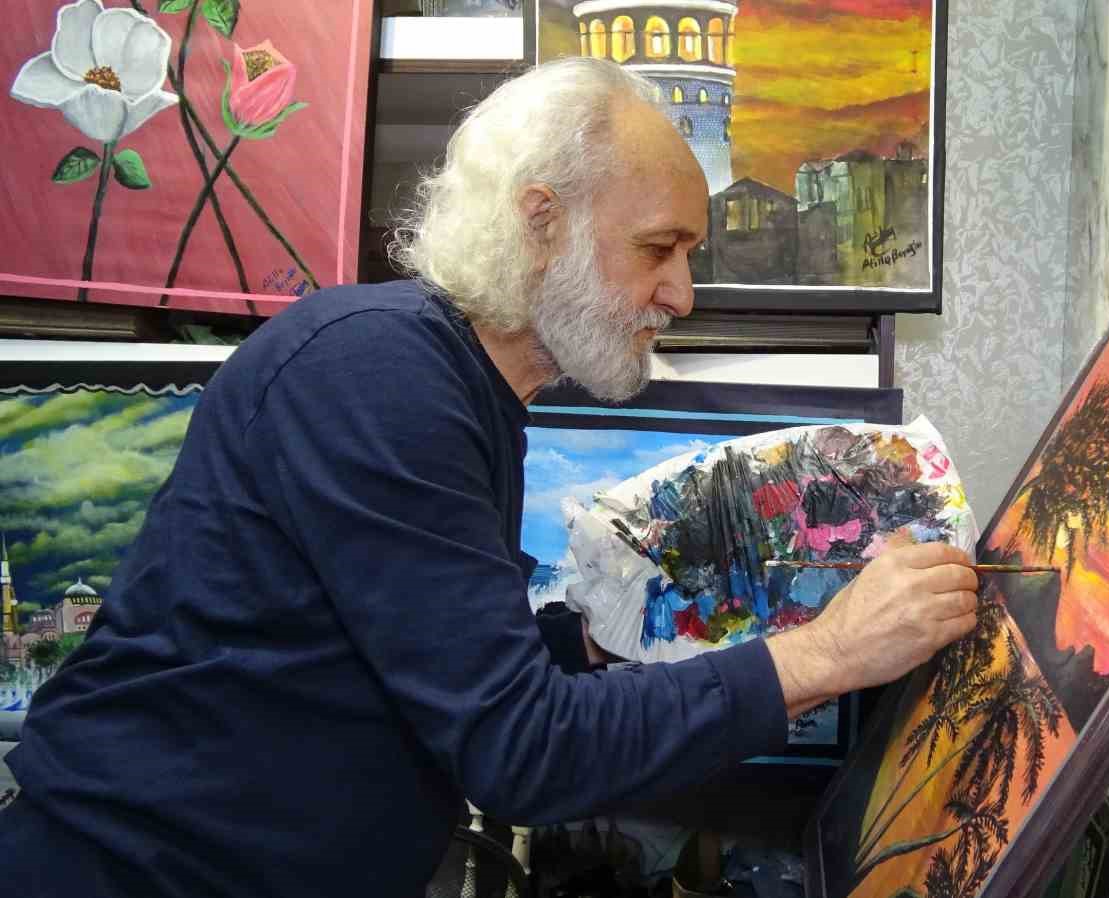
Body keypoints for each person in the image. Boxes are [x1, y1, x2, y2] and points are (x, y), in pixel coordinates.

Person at [0, 58, 981, 897]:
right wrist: (829, 653)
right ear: (541, 222)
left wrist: (590, 638)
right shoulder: (379, 373)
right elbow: (521, 749)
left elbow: (416, 660)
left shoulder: (462, 389)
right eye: (658, 249)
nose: (681, 293)